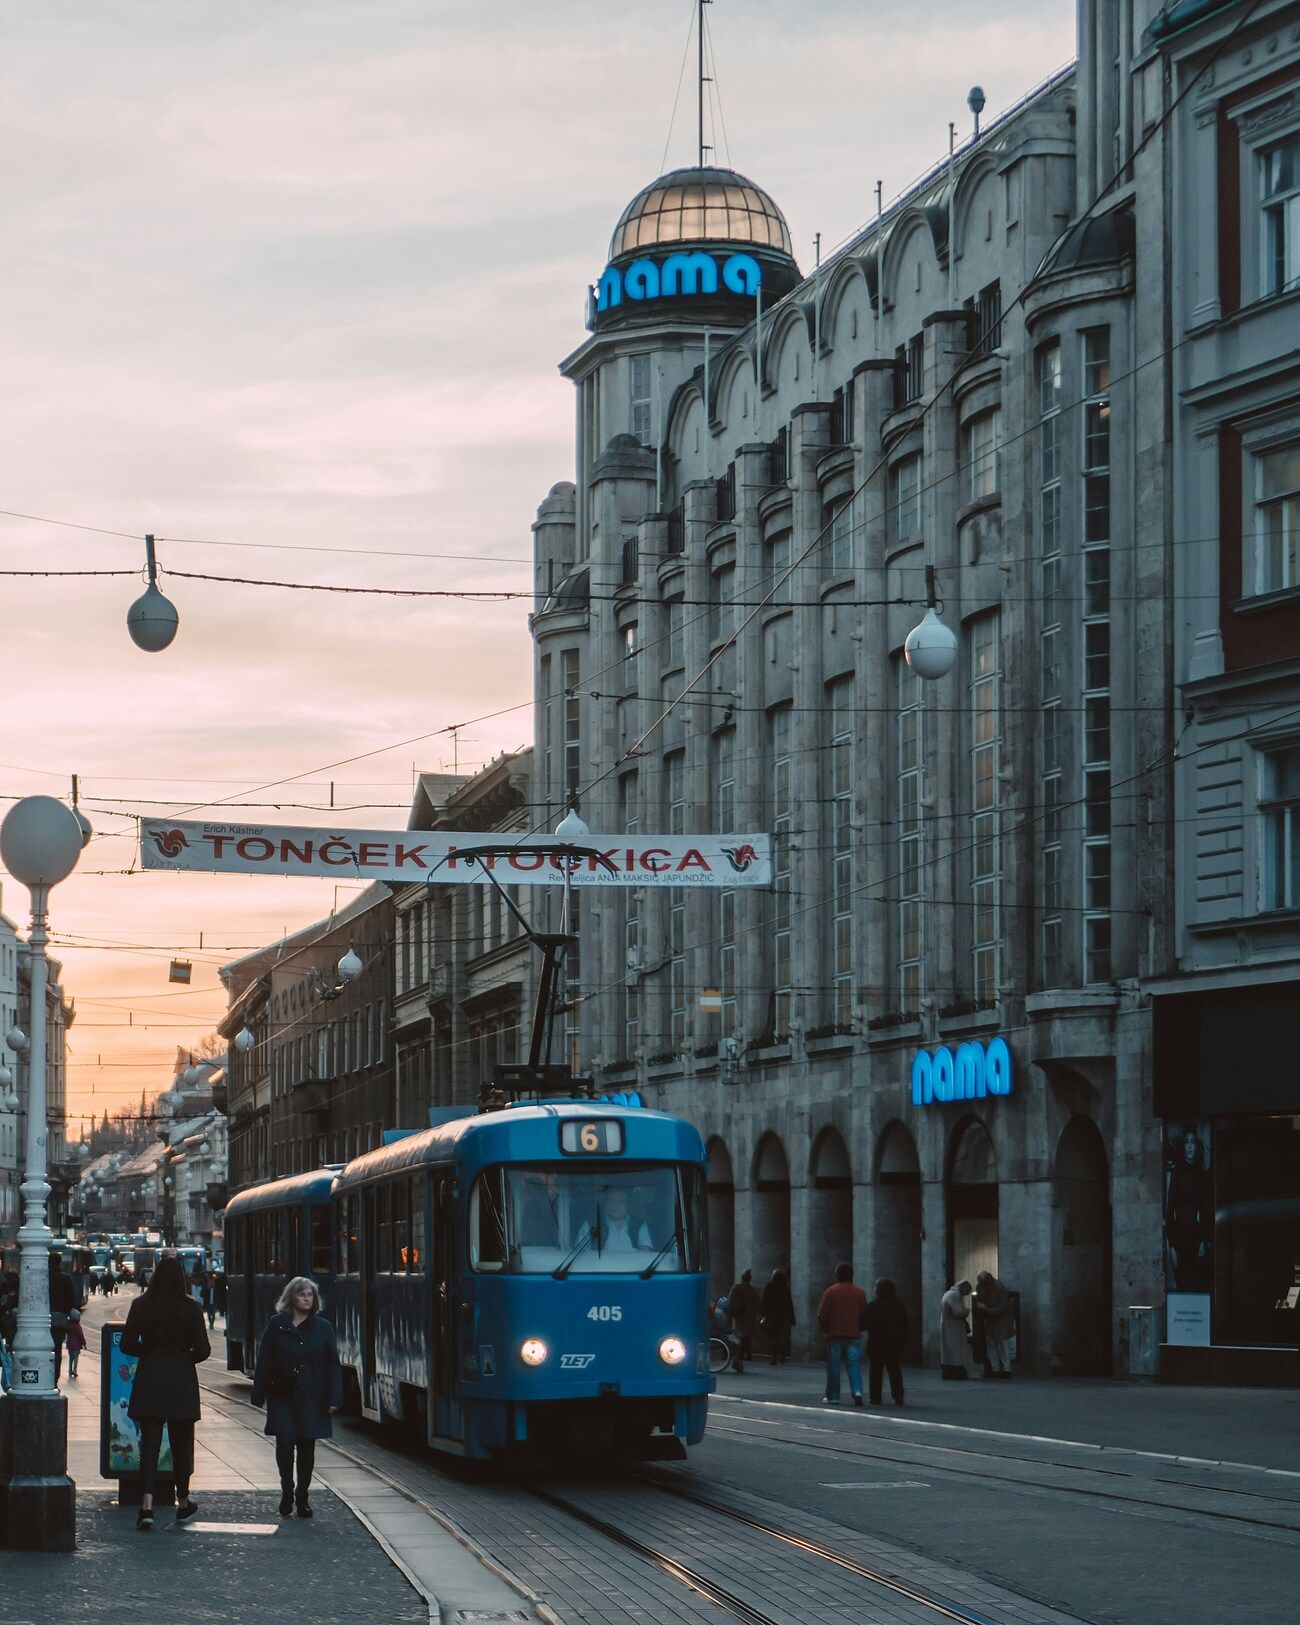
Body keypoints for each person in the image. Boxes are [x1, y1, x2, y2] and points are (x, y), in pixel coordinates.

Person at [120, 1253, 210, 1531]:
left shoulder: (141, 1305)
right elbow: (204, 1349)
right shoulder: (191, 1308)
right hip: (181, 1381)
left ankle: (146, 1507)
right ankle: (182, 1503)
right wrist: (183, 1359)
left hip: (151, 1378)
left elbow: (126, 1344)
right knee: (182, 1445)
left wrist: (149, 1353)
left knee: (150, 1445)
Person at [251, 1276, 342, 1519]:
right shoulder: (277, 1324)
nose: (306, 1298)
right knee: (284, 1444)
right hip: (283, 1395)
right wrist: (258, 1392)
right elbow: (264, 1359)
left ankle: (303, 1495)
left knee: (306, 1446)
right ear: (291, 1297)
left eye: (310, 1295)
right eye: (302, 1294)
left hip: (313, 1396)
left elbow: (332, 1363)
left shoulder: (323, 1327)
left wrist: (334, 1397)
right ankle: (287, 1490)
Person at [817, 1262, 868, 1406]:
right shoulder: (860, 1292)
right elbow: (864, 1313)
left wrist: (826, 1329)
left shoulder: (831, 1291)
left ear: (837, 1275)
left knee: (834, 1366)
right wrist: (859, 1327)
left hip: (835, 1334)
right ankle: (857, 1391)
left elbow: (822, 1314)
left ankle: (833, 1396)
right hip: (853, 1334)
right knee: (854, 1365)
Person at [863, 1279, 909, 1406]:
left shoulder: (873, 1305)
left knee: (875, 1372)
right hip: (894, 1343)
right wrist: (903, 1340)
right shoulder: (899, 1305)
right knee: (894, 1371)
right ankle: (898, 1396)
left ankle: (875, 1397)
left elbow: (864, 1324)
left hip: (876, 1343)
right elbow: (905, 1325)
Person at [975, 1270, 1014, 1377]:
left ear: (989, 1279)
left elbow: (1003, 1306)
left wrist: (987, 1310)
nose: (982, 1284)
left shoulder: (1000, 1287)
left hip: (1001, 1320)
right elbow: (979, 1298)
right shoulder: (981, 1286)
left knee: (1003, 1344)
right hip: (990, 1319)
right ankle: (995, 1367)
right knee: (992, 1344)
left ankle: (1006, 1369)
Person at [760, 1268, 796, 1365]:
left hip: (771, 1316)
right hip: (783, 1317)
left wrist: (762, 1313)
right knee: (782, 1337)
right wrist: (792, 1318)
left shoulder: (769, 1286)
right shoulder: (785, 1288)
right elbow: (789, 1304)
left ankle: (774, 1357)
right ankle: (782, 1355)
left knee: (773, 1337)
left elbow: (765, 1301)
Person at [49, 1256, 75, 1383]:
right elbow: (71, 1301)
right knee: (57, 1349)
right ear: (59, 1263)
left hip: (42, 1319)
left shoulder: (43, 1277)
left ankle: (45, 1376)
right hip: (59, 1320)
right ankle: (55, 1378)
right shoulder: (65, 1279)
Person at [728, 1269, 761, 1367]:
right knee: (747, 1335)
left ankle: (741, 1354)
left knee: (740, 1335)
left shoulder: (736, 1288)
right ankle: (747, 1353)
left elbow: (730, 1300)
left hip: (739, 1315)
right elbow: (758, 1303)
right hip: (750, 1316)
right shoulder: (752, 1290)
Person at [940, 1280, 973, 1379]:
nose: (966, 1294)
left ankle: (948, 1371)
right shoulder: (954, 1296)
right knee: (956, 1350)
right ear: (963, 1288)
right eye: (967, 1291)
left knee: (948, 1350)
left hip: (948, 1325)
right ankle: (957, 1372)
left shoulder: (948, 1294)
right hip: (954, 1327)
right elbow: (958, 1312)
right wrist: (966, 1311)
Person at [65, 1308, 87, 1379]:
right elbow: (81, 1335)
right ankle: (75, 1371)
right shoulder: (77, 1326)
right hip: (77, 1344)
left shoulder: (68, 1325)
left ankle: (70, 1370)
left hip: (69, 1344)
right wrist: (84, 1343)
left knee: (70, 1358)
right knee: (76, 1358)